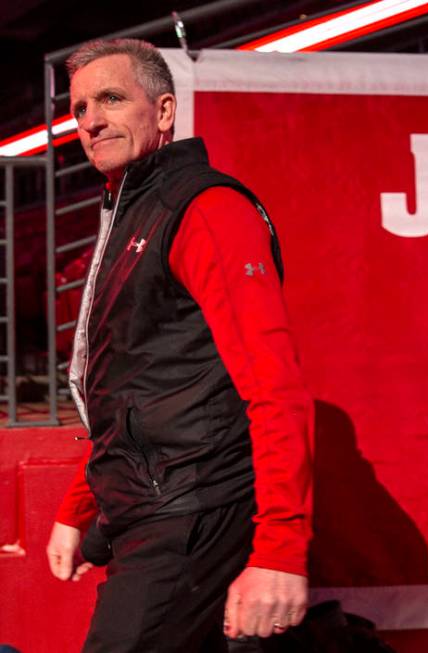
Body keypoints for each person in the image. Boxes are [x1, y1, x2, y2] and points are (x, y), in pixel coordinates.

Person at [44, 38, 313, 652]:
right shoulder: (131, 212)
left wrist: (281, 549)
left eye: (111, 98)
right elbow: (134, 390)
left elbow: (276, 387)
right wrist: (79, 508)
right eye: (81, 107)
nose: (91, 120)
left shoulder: (204, 208)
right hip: (155, 513)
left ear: (164, 112)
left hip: (196, 512)